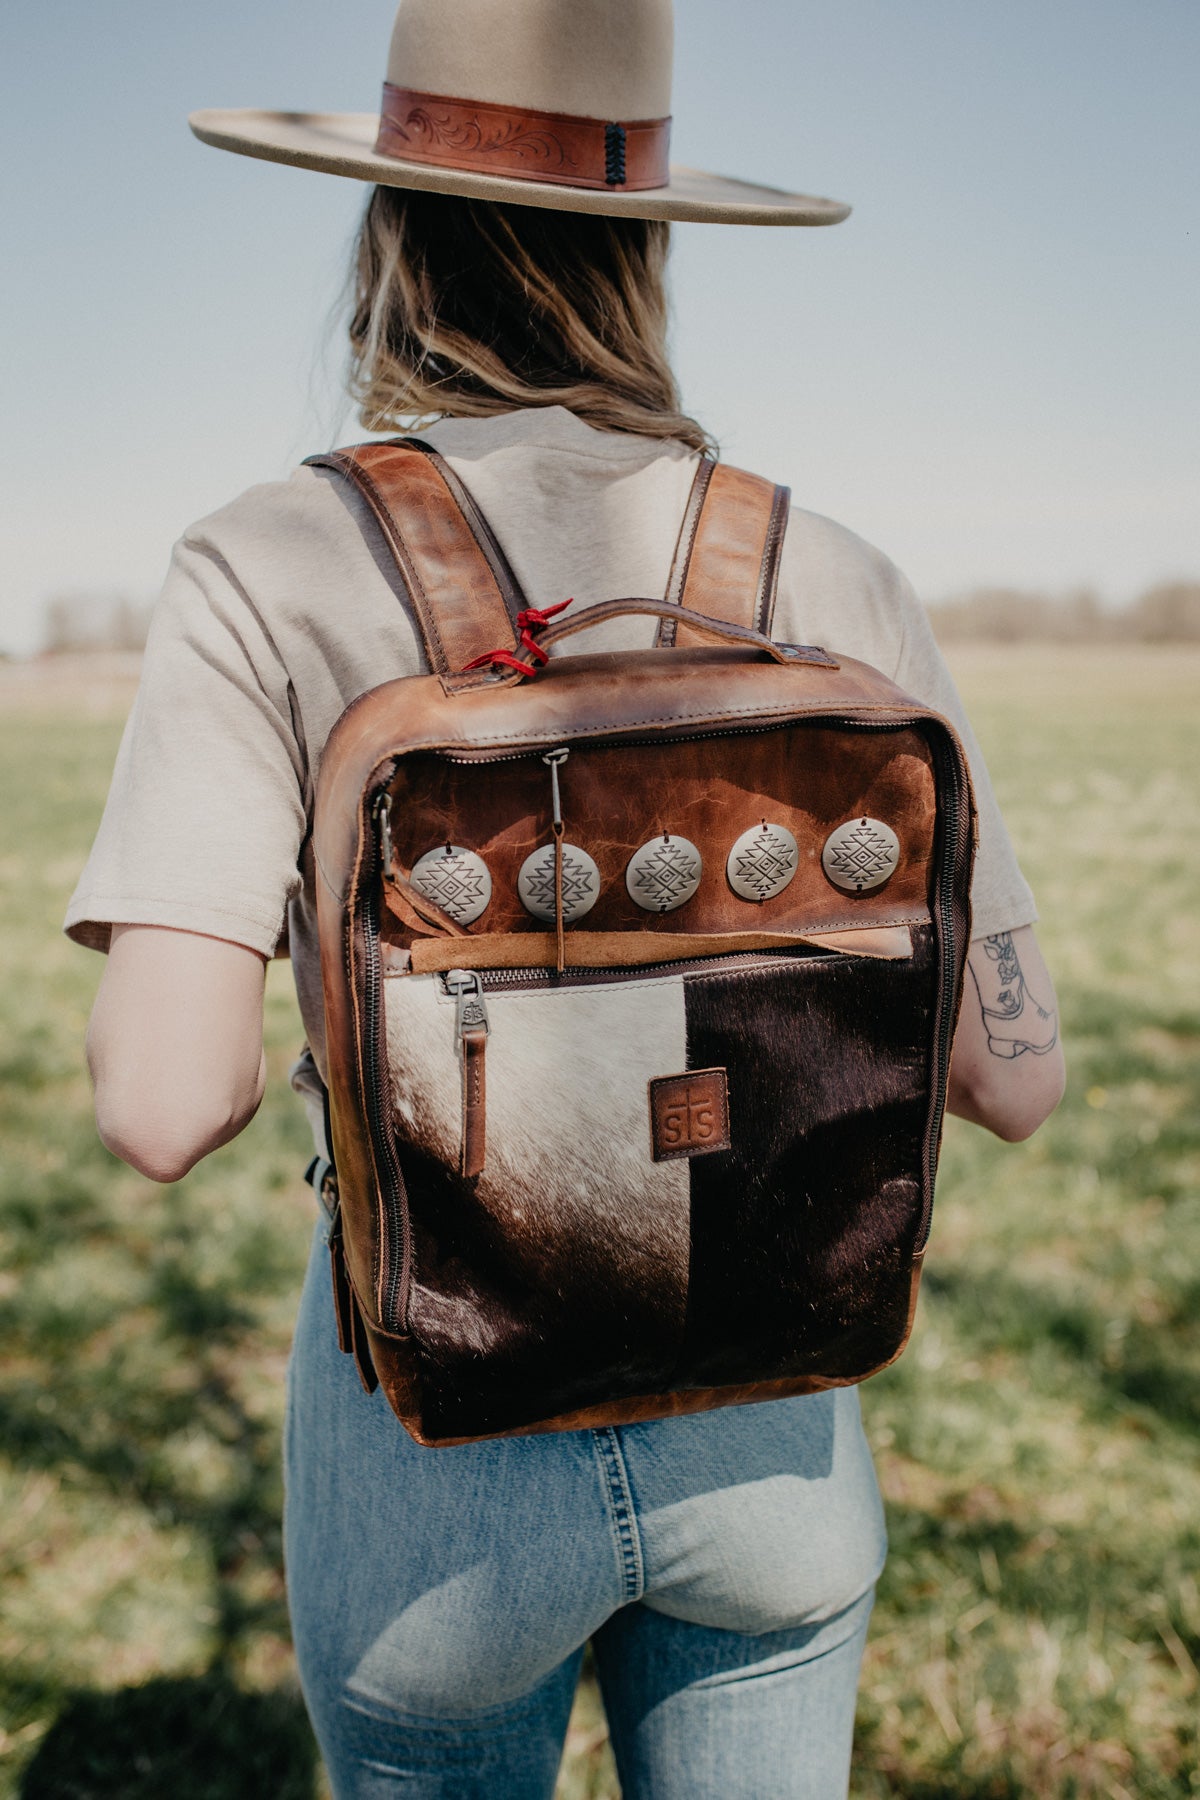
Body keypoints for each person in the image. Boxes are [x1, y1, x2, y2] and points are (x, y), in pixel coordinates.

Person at [66, 3, 1065, 1794]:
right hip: (775, 1434)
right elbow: (1019, 1077)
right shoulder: (831, 570)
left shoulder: (268, 561)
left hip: (434, 1473)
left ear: (392, 238)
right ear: (649, 252)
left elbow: (161, 1106)